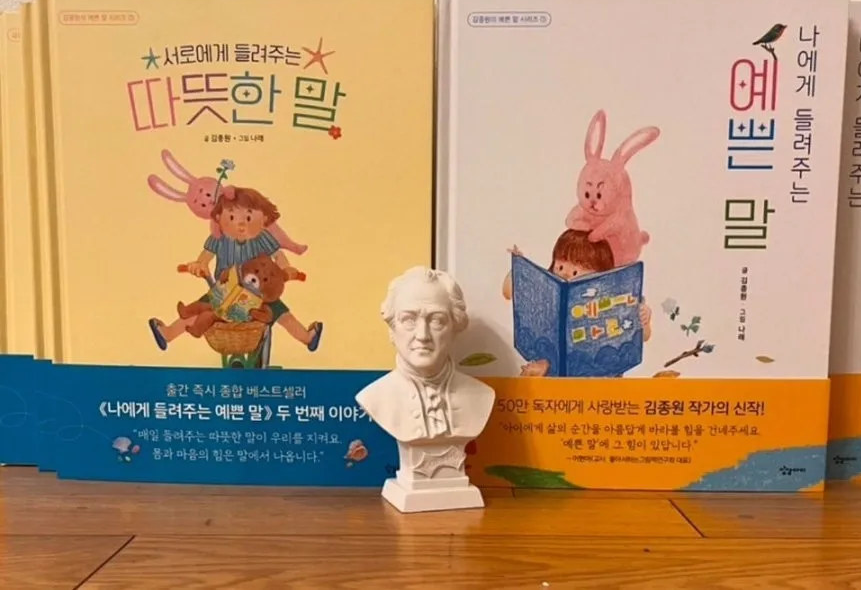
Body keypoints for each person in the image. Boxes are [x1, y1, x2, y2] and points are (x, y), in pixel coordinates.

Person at [149, 186, 322, 352]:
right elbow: (205, 257)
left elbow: (278, 255)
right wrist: (199, 265)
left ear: (264, 219)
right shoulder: (218, 237)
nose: (241, 225)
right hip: (225, 290)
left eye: (248, 218)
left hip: (258, 295)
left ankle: (307, 337)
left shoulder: (263, 237)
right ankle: (168, 334)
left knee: (281, 312)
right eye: (231, 217)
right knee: (201, 307)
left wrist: (286, 268)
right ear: (219, 218)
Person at [356, 266, 495, 448]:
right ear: (392, 329)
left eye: (437, 320)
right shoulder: (374, 397)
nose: (422, 335)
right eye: (409, 320)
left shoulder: (482, 395)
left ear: (455, 328)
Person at [502, 228, 652, 341]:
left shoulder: (611, 300)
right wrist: (519, 269)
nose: (565, 274)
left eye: (575, 272)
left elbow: (643, 337)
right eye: (560, 267)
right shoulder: (547, 289)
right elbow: (508, 292)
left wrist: (644, 320)